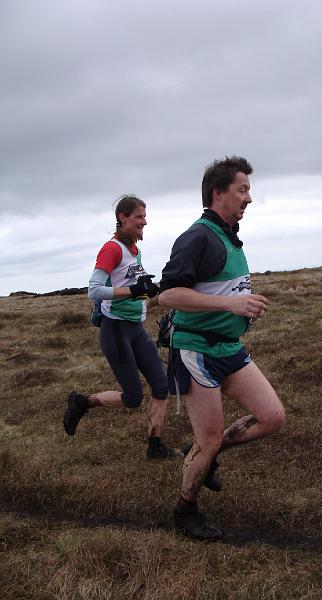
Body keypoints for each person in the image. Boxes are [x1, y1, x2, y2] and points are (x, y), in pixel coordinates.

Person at [158, 156, 286, 540]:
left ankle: (207, 456)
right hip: (196, 351)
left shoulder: (230, 236)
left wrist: (243, 307)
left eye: (249, 190)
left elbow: (221, 287)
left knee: (272, 416)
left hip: (229, 347)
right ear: (218, 193)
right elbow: (168, 295)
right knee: (209, 438)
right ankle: (185, 511)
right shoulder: (197, 237)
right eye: (242, 190)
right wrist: (231, 304)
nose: (249, 199)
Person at [63, 194, 173, 459]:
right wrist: (132, 289)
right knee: (133, 397)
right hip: (115, 330)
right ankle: (82, 402)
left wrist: (148, 288)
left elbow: (134, 285)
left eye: (145, 217)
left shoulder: (135, 249)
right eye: (139, 217)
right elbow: (94, 290)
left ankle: (155, 447)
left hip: (136, 329)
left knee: (161, 386)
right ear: (122, 218)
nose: (144, 222)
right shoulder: (111, 248)